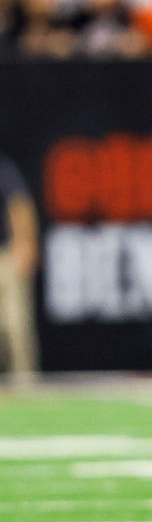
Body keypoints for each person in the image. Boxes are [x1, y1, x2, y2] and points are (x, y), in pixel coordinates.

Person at [0, 152, 39, 388]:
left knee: (15, 327)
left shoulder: (3, 169)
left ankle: (25, 386)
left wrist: (25, 242)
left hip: (4, 258)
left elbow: (19, 204)